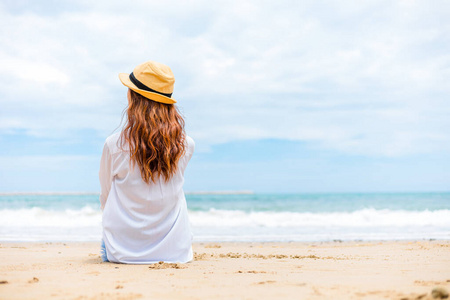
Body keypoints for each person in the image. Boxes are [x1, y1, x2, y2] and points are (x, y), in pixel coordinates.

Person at [98, 60, 195, 264]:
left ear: (133, 98)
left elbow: (105, 196)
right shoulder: (185, 145)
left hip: (122, 251)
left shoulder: (114, 145)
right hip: (176, 253)